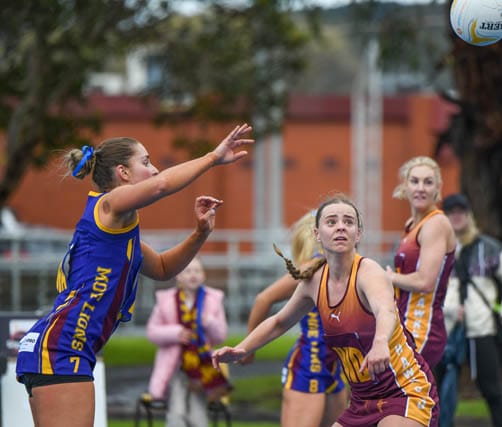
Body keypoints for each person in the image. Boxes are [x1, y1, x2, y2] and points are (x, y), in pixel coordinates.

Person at [15, 123, 253, 427]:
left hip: (61, 345)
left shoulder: (117, 234)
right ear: (123, 173)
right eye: (146, 162)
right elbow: (161, 185)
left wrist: (200, 233)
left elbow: (164, 268)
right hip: (62, 346)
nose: (154, 170)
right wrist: (212, 158)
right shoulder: (108, 204)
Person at [212, 193, 439, 427]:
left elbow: (386, 311)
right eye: (331, 222)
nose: (341, 226)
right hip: (362, 401)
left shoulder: (369, 271)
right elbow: (279, 322)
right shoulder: (314, 281)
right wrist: (242, 349)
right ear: (317, 234)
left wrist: (380, 342)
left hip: (405, 392)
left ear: (358, 233)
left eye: (348, 222)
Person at [239, 211, 348, 427]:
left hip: (334, 364)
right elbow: (264, 299)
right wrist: (248, 348)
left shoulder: (348, 267)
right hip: (309, 362)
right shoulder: (313, 266)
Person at [441, 193, 502, 427]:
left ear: (469, 215)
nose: (456, 217)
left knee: (491, 390)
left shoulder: (489, 248)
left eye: (461, 212)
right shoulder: (435, 250)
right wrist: (448, 310)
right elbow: (423, 289)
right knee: (436, 392)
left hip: (480, 329)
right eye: (451, 213)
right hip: (444, 330)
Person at [384, 156, 457, 369]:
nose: (421, 188)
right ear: (405, 186)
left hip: (423, 327)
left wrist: (389, 277)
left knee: (393, 384)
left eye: (428, 182)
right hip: (404, 322)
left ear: (438, 188)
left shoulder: (436, 223)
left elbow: (425, 281)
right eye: (415, 181)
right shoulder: (411, 224)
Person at [146, 256, 231, 427]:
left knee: (198, 416)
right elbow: (152, 331)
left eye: (197, 271)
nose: (193, 275)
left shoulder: (212, 299)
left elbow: (221, 335)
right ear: (178, 276)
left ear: (203, 275)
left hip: (201, 368)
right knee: (177, 414)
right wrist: (175, 333)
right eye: (188, 271)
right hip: (174, 367)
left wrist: (209, 322)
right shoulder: (166, 300)